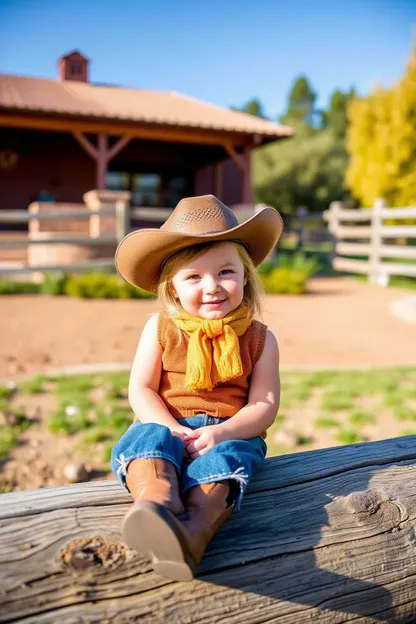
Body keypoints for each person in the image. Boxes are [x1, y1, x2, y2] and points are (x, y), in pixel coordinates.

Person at [111, 194, 282, 581]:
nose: (213, 287)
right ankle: (155, 503)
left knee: (231, 457)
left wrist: (223, 431)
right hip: (166, 420)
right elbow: (140, 389)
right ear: (172, 288)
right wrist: (169, 426)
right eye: (194, 276)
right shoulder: (159, 329)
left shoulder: (260, 339)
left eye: (226, 272)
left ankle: (191, 532)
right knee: (145, 439)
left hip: (228, 428)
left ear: (245, 276)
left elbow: (265, 404)